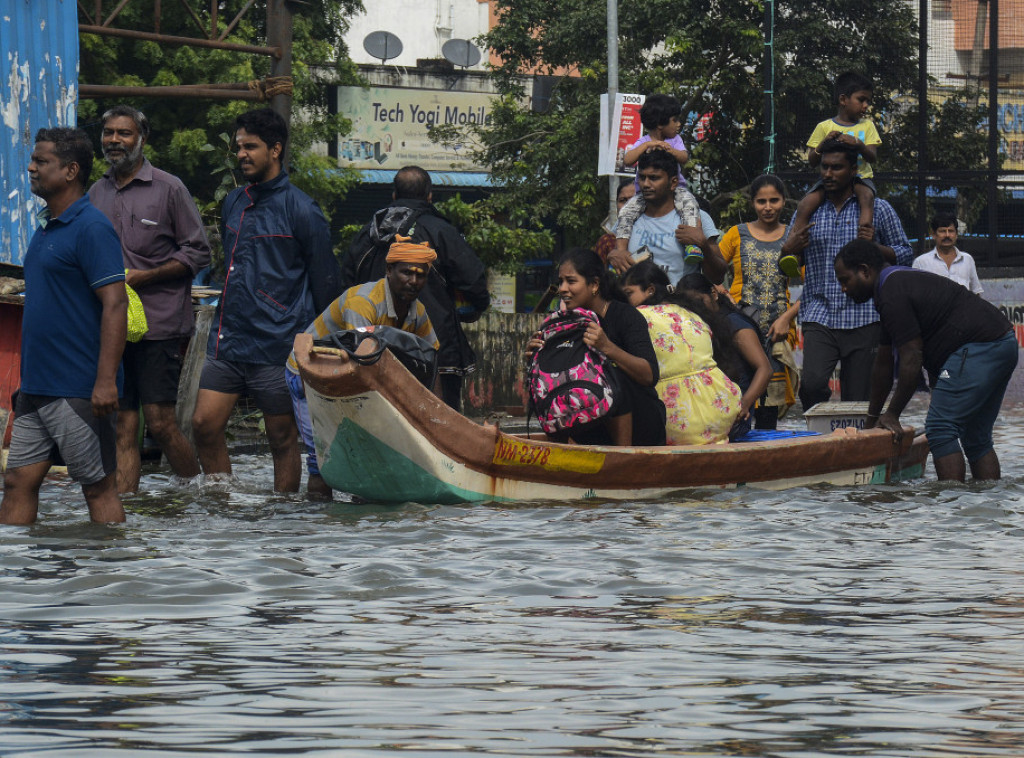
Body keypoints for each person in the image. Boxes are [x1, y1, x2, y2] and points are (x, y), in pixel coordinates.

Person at [191, 108, 341, 493]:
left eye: (251, 147)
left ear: (275, 150)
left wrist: (318, 345)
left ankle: (282, 514)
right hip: (229, 340)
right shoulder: (234, 203)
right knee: (204, 425)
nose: (242, 154)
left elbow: (325, 283)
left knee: (280, 437)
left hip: (279, 344)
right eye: (239, 146)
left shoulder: (303, 210)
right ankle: (220, 504)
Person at [0, 128, 128, 525]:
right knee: (18, 482)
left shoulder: (91, 227)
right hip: (36, 387)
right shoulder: (46, 228)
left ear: (71, 171)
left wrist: (105, 380)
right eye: (33, 159)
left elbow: (116, 303)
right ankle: (16, 580)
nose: (32, 167)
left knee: (96, 486)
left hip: (77, 387)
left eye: (42, 161)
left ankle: (111, 577)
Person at [88, 105, 211, 494]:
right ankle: (126, 512)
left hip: (158, 323)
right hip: (112, 325)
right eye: (108, 133)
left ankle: (200, 497)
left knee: (159, 421)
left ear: (143, 138)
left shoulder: (168, 187)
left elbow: (198, 252)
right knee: (122, 421)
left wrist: (146, 276)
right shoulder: (96, 191)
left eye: (123, 133)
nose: (114, 141)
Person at [834, 239, 1017, 482]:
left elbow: (912, 359)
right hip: (1002, 343)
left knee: (941, 428)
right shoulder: (892, 285)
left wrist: (892, 414)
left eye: (845, 280)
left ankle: (951, 506)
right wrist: (872, 420)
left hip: (977, 348)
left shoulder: (892, 291)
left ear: (865, 270)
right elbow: (884, 365)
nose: (843, 289)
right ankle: (984, 509)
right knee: (976, 437)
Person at [286, 236, 440, 499]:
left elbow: (432, 360)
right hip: (311, 376)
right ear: (389, 271)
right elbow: (360, 366)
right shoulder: (363, 302)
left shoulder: (418, 312)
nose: (413, 281)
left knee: (373, 462)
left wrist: (436, 419)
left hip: (355, 379)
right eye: (406, 273)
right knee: (323, 463)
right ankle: (318, 526)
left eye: (420, 275)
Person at [341, 166, 490, 412]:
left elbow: (344, 285)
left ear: (393, 195)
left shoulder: (367, 234)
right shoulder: (441, 231)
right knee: (440, 425)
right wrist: (473, 309)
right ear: (430, 196)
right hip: (436, 348)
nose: (412, 281)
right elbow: (474, 282)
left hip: (372, 351)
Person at [779, 137, 913, 411]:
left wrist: (875, 248)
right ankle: (822, 442)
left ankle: (852, 447)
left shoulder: (879, 209)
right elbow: (788, 262)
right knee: (813, 386)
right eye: (825, 167)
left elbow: (906, 254)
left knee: (858, 399)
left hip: (865, 316)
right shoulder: (809, 210)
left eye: (836, 167)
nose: (828, 173)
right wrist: (788, 250)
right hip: (819, 312)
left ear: (853, 170)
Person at [525, 248, 666, 446]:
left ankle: (621, 458)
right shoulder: (561, 324)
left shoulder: (626, 316)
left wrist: (607, 347)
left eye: (571, 281)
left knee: (612, 377)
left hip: (640, 424)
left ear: (594, 285)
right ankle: (560, 460)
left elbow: (649, 375)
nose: (563, 288)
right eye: (561, 282)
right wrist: (536, 359)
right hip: (591, 425)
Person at [621, 262, 741, 445]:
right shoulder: (691, 312)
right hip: (722, 407)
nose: (625, 300)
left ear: (650, 290)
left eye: (629, 293)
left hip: (676, 418)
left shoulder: (638, 316)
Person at [717, 174, 801, 428]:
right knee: (736, 397)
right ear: (752, 203)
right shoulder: (736, 234)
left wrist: (787, 317)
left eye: (774, 200)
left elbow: (813, 286)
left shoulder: (792, 237)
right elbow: (711, 272)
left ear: (783, 202)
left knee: (768, 409)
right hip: (740, 330)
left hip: (776, 333)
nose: (767, 207)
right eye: (761, 201)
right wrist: (726, 297)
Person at [780, 71, 881, 277]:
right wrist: (823, 144)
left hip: (861, 178)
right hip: (830, 183)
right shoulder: (824, 126)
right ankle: (794, 254)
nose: (865, 106)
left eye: (868, 101)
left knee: (867, 198)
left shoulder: (867, 126)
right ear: (843, 99)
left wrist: (858, 144)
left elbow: (872, 156)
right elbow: (811, 159)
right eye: (861, 100)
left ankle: (863, 241)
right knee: (805, 205)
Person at [675, 273, 773, 441]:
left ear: (714, 294)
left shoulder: (734, 324)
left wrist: (744, 404)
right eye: (689, 306)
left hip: (735, 416)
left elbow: (765, 369)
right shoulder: (696, 325)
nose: (696, 309)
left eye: (699, 302)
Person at [609, 149, 728, 285]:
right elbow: (612, 261)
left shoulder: (697, 218)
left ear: (673, 183)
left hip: (681, 303)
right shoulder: (627, 219)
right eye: (642, 178)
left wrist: (704, 246)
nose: (646, 184)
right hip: (637, 304)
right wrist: (613, 255)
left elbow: (718, 277)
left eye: (654, 178)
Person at [912, 213, 983, 294]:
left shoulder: (967, 259)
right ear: (933, 234)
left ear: (956, 234)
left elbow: (976, 292)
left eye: (951, 231)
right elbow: (915, 295)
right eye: (942, 231)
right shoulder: (921, 262)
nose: (947, 235)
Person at [594, 180, 636, 263]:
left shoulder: (657, 235)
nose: (627, 205)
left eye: (633, 200)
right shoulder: (607, 242)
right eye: (623, 200)